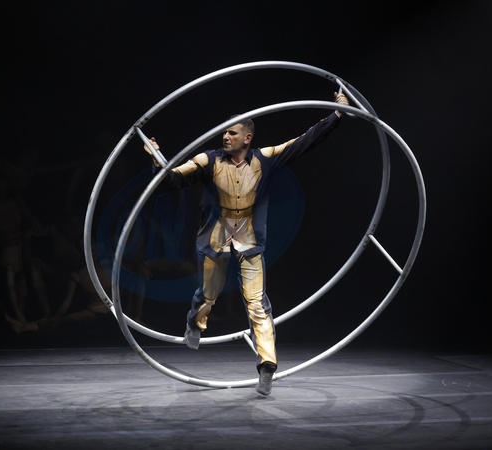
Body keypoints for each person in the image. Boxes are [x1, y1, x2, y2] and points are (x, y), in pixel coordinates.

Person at [143, 91, 349, 396]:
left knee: (257, 304)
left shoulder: (265, 159)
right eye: (225, 133)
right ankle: (195, 325)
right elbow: (171, 180)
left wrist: (337, 113)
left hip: (249, 242)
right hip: (215, 239)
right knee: (207, 296)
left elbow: (305, 141)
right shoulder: (208, 160)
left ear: (247, 138)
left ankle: (267, 365)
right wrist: (156, 158)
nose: (225, 137)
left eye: (232, 133)